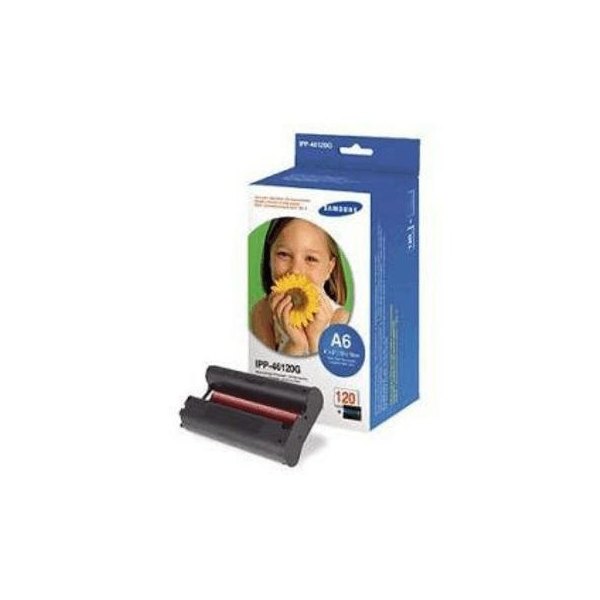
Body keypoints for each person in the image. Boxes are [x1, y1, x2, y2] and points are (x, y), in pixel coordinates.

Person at [251, 217, 350, 356]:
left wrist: (315, 338)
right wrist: (296, 344)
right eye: (283, 254)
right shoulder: (263, 312)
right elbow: (265, 367)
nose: (295, 271)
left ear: (329, 268)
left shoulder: (340, 320)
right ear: (269, 258)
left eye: (311, 259)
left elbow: (325, 370)